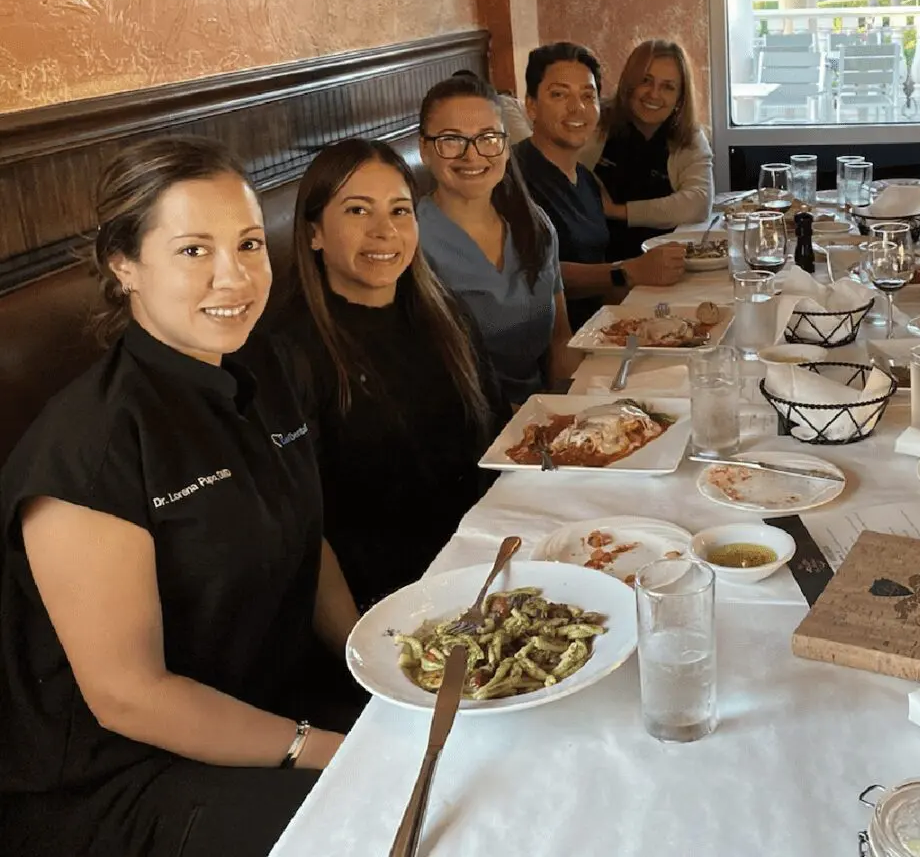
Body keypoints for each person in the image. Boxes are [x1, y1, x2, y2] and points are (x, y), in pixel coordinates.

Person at [0, 136, 363, 857]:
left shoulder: (267, 367)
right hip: (121, 779)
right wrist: (327, 750)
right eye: (194, 250)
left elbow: (304, 537)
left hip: (267, 702)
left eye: (250, 244)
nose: (234, 278)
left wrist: (369, 654)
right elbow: (129, 695)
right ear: (124, 264)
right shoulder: (92, 446)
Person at [273, 139, 504, 611]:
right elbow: (301, 532)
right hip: (387, 600)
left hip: (488, 562)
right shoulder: (289, 350)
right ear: (314, 231)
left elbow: (498, 435)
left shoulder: (443, 313)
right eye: (358, 211)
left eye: (400, 211)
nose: (385, 232)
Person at [414, 72, 575, 408]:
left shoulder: (534, 225)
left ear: (505, 146)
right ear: (424, 150)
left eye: (488, 138)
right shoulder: (410, 242)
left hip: (539, 425)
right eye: (451, 139)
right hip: (463, 431)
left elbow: (560, 339)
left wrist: (569, 409)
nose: (472, 156)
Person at [514, 42, 685, 330]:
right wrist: (628, 272)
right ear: (531, 105)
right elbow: (532, 276)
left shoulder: (586, 179)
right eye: (559, 94)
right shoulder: (514, 178)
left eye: (587, 95)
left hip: (601, 330)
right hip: (555, 348)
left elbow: (601, 283)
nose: (576, 108)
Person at [594, 39, 715, 259]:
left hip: (669, 261)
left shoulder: (689, 135)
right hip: (600, 264)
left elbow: (698, 203)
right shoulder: (596, 123)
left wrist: (617, 211)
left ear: (680, 97)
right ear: (629, 84)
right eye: (645, 81)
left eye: (668, 87)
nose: (654, 94)